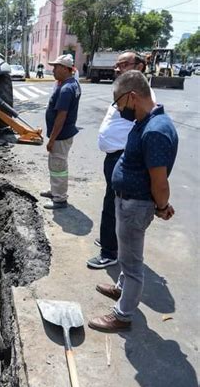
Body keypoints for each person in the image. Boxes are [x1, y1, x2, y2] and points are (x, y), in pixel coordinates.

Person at [89, 70, 178, 332]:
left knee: (132, 262)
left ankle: (122, 315)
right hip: (126, 200)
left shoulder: (156, 131)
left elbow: (159, 182)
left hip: (135, 205)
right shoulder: (144, 121)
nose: (118, 110)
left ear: (132, 96)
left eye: (118, 103)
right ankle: (121, 288)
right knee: (127, 254)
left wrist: (162, 207)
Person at [87, 52, 156, 269]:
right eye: (116, 65)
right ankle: (110, 238)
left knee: (114, 203)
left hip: (123, 155)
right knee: (112, 201)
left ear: (141, 66)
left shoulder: (141, 96)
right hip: (114, 155)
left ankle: (109, 252)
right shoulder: (123, 89)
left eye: (124, 65)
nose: (117, 68)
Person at [40, 54, 81, 209]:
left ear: (65, 68)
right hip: (64, 133)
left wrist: (51, 140)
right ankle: (55, 190)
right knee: (55, 164)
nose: (53, 70)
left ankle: (59, 199)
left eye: (56, 67)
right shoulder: (72, 83)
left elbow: (61, 117)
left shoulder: (66, 89)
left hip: (61, 135)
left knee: (58, 166)